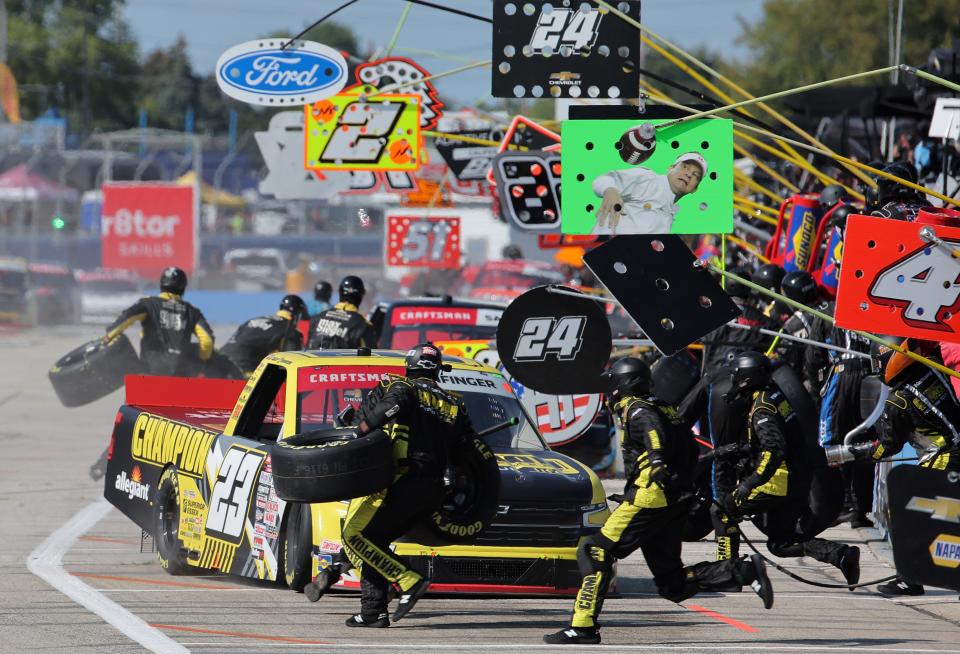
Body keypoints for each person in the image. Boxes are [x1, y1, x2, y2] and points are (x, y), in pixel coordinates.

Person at [544, 357, 774, 645]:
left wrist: (656, 462)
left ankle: (583, 626)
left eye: (613, 382)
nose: (610, 389)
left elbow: (654, 435)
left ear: (623, 384)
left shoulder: (638, 410)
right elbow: (689, 449)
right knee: (672, 585)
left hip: (650, 496)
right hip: (672, 501)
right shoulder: (664, 406)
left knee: (593, 551)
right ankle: (743, 571)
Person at [315, 343, 474, 627]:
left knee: (355, 535)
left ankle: (407, 580)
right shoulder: (454, 403)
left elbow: (385, 411)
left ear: (409, 366)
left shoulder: (402, 387)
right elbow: (470, 451)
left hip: (402, 481)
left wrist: (358, 430)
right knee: (375, 540)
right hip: (436, 489)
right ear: (438, 369)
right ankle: (373, 611)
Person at [711, 352, 860, 586]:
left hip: (776, 482)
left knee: (721, 510)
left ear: (746, 376)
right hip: (797, 480)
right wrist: (736, 450)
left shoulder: (762, 408)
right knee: (780, 544)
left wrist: (750, 482)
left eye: (736, 373)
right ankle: (840, 554)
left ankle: (727, 572)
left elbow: (774, 449)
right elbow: (779, 440)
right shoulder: (774, 396)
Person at [827, 340, 960, 596]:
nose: (876, 369)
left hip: (945, 455)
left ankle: (909, 579)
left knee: (913, 514)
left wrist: (853, 453)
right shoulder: (932, 367)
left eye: (877, 362)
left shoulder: (899, 401)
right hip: (953, 446)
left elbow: (886, 448)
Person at [104, 266, 214, 376]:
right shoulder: (192, 312)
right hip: (179, 374)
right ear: (183, 287)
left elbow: (126, 318)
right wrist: (202, 362)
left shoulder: (148, 304)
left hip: (150, 370)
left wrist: (108, 336)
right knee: (195, 349)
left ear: (162, 284)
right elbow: (207, 340)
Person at [592, 152, 707, 235]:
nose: (688, 174)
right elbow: (603, 180)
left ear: (694, 189)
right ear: (670, 168)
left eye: (696, 175)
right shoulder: (648, 179)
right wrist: (610, 190)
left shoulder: (670, 211)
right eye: (685, 167)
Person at [220, 295, 307, 377]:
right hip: (244, 368)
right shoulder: (290, 330)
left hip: (220, 361)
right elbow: (293, 362)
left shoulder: (253, 320)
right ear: (298, 315)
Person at [307, 275, 378, 349]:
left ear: (340, 293)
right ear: (361, 296)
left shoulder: (316, 319)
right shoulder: (363, 326)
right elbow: (373, 357)